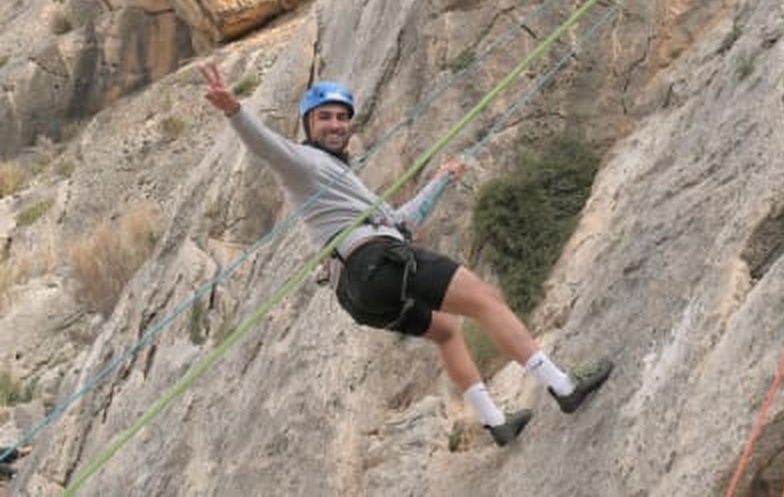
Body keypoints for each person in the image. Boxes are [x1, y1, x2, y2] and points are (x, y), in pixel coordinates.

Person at [200, 63, 612, 446]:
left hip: (359, 293)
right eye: (324, 117)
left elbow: (400, 222)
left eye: (342, 117)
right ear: (308, 124)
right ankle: (563, 386)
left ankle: (495, 422)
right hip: (375, 261)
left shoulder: (343, 181)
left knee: (447, 331)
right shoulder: (303, 163)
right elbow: (268, 147)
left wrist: (440, 181)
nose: (335, 124)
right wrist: (235, 110)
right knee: (487, 300)